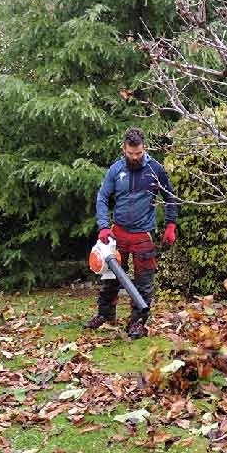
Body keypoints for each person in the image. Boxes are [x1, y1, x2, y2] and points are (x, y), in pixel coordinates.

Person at [85, 127, 179, 339]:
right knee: (110, 278)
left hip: (142, 235)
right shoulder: (115, 170)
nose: (135, 157)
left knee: (144, 282)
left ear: (144, 148)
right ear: (124, 149)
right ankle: (105, 315)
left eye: (138, 153)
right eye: (130, 154)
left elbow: (170, 197)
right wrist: (103, 226)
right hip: (117, 234)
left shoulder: (156, 170)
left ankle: (137, 322)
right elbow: (102, 198)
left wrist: (171, 224)